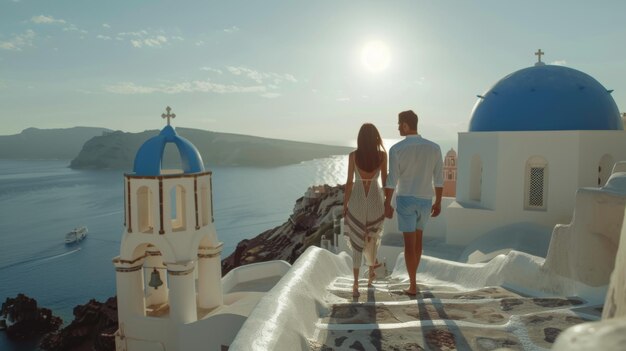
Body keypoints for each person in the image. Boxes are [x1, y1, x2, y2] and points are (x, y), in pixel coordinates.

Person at [384, 110, 443, 296]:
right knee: (419, 243)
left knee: (409, 245)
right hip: (426, 200)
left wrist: (387, 203)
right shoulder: (434, 148)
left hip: (406, 200)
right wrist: (439, 201)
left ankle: (412, 285)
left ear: (406, 125)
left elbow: (391, 180)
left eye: (399, 124)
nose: (397, 127)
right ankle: (413, 281)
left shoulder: (397, 149)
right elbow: (439, 178)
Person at [343, 123, 387, 298]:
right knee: (372, 238)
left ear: (360, 138)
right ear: (376, 137)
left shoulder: (353, 156)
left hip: (357, 201)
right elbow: (385, 181)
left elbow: (349, 183)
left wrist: (344, 205)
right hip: (376, 200)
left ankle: (355, 285)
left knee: (356, 242)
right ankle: (370, 276)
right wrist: (387, 202)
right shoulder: (382, 156)